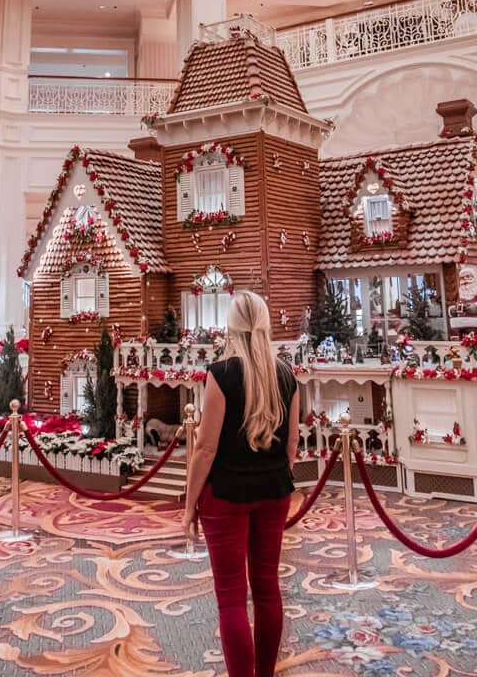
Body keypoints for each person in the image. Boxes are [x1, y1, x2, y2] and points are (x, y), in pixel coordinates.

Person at [182, 290, 300, 677]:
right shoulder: (286, 375)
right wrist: (274, 481)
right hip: (274, 490)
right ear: (265, 326)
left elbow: (205, 447)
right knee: (267, 589)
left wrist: (188, 505)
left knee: (231, 599)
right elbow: (293, 448)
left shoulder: (222, 374)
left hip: (226, 495)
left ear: (230, 329)